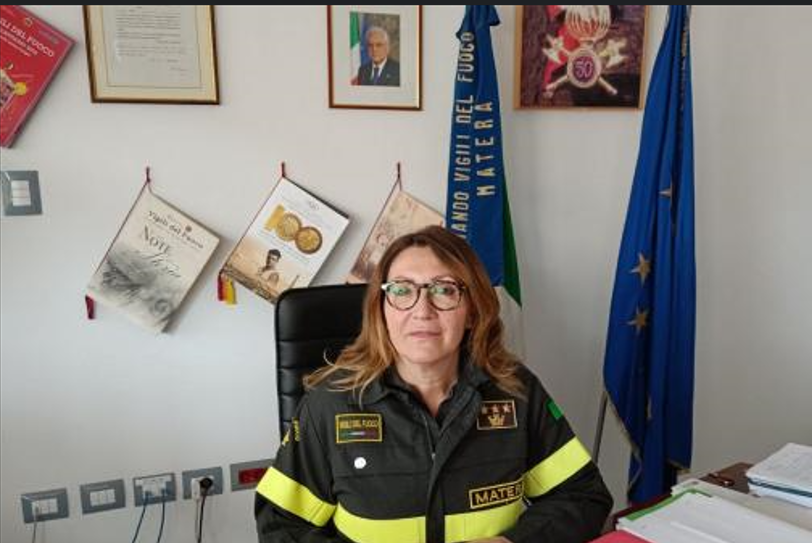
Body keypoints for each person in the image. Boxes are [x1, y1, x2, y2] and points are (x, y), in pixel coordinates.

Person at [255, 225, 612, 543]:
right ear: (382, 309)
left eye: (444, 290)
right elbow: (280, 524)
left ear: (472, 311)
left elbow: (583, 497)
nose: (422, 310)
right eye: (401, 290)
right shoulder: (329, 405)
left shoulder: (516, 391)